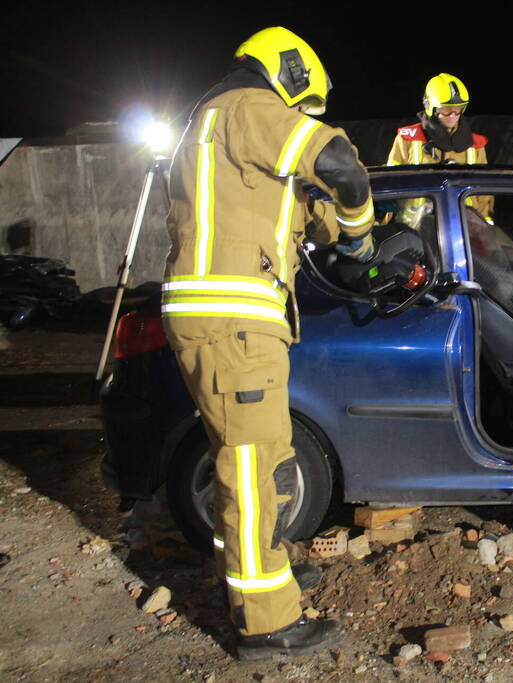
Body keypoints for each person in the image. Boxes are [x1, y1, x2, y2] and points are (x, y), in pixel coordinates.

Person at [161, 27, 375, 659]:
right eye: (302, 106)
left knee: (263, 458)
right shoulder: (248, 107)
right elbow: (340, 165)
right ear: (289, 74)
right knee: (252, 468)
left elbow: (297, 207)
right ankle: (265, 623)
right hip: (232, 319)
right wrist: (362, 237)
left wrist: (335, 226)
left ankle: (265, 572)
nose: (299, 119)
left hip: (227, 318)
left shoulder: (226, 138)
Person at [386, 73, 493, 221]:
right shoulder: (408, 139)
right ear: (431, 107)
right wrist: (386, 223)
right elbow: (390, 182)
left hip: (462, 225)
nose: (453, 115)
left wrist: (484, 225)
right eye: (446, 109)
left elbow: (484, 193)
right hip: (414, 227)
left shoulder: (475, 145)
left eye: (459, 108)